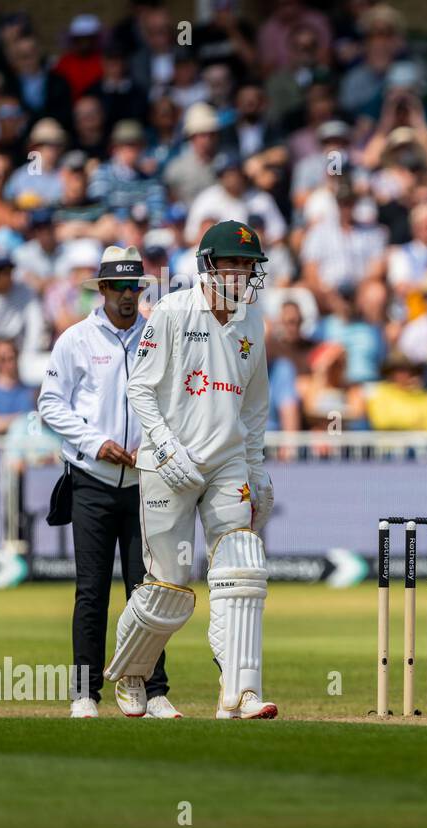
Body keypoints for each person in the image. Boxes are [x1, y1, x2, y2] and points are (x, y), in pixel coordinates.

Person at [103, 221, 277, 721]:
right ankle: (133, 675)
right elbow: (140, 388)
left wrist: (257, 470)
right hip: (168, 465)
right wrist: (165, 448)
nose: (242, 274)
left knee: (242, 565)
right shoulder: (175, 311)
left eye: (250, 265)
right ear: (209, 265)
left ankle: (239, 694)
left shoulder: (252, 321)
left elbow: (254, 408)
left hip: (227, 463)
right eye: (234, 264)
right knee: (170, 586)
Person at [37, 247, 178, 720]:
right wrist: (97, 443)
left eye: (134, 287)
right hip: (92, 481)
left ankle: (152, 689)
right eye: (118, 287)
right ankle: (84, 693)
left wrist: (157, 446)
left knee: (147, 590)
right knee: (92, 590)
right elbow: (51, 404)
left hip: (144, 483)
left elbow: (175, 400)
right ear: (101, 291)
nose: (126, 296)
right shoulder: (76, 339)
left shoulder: (157, 336)